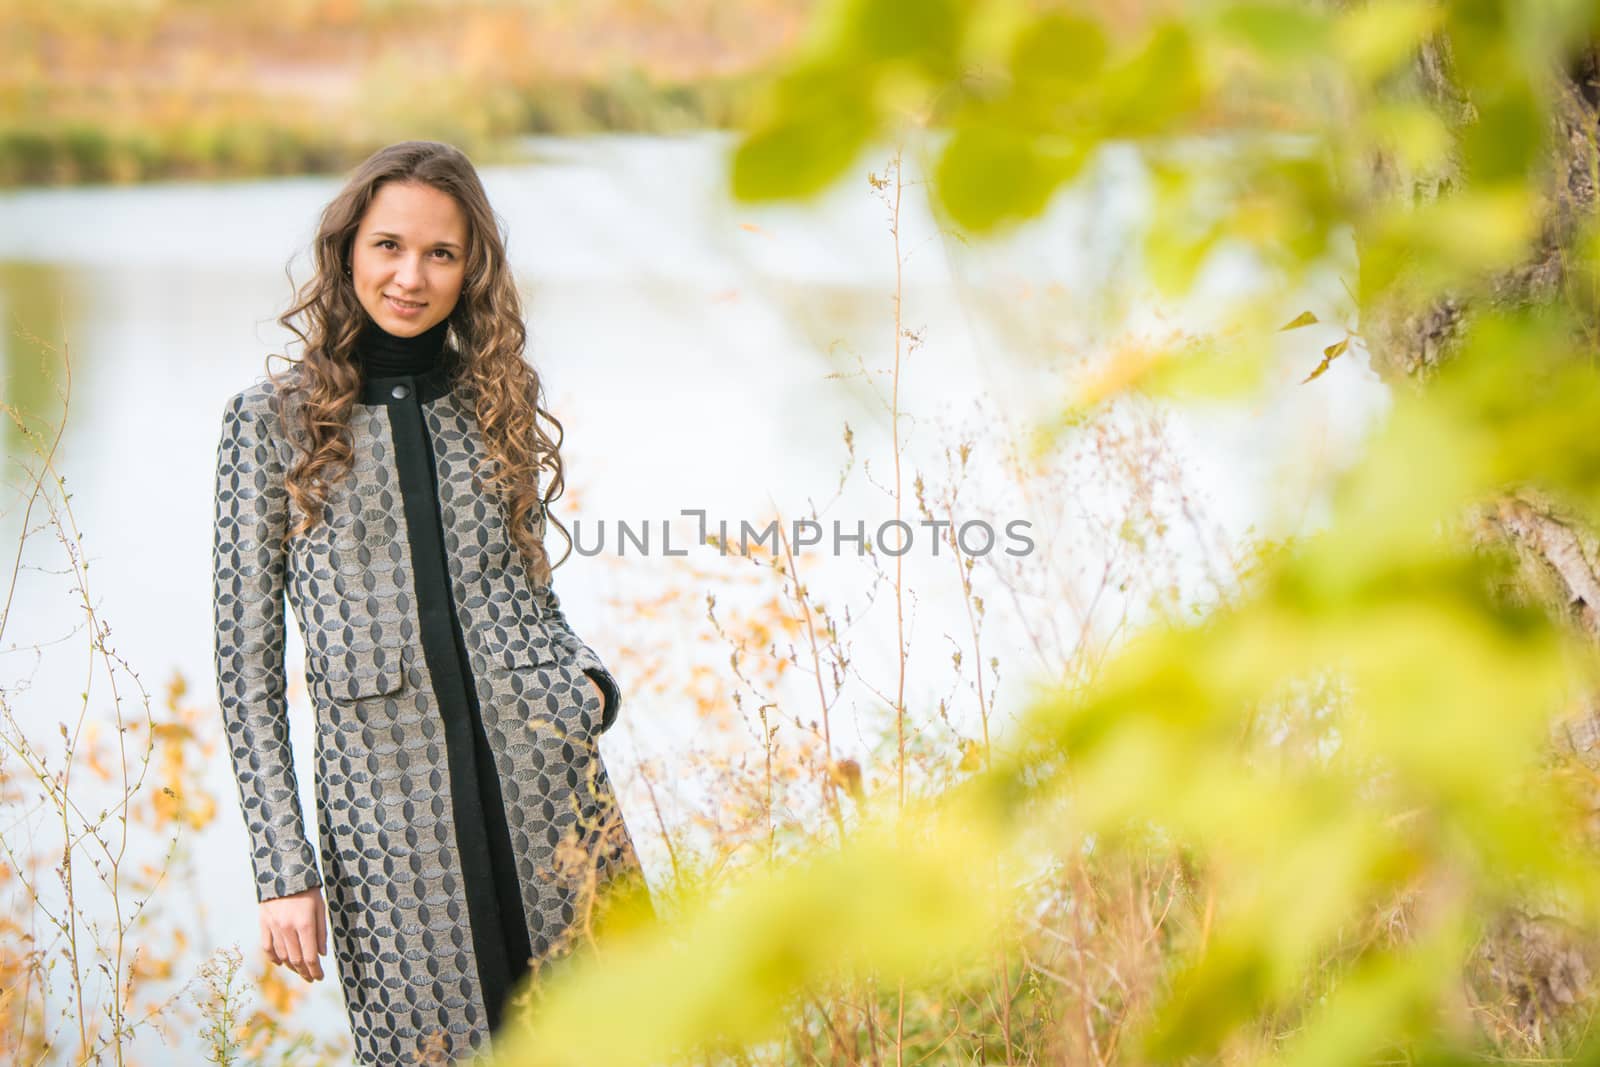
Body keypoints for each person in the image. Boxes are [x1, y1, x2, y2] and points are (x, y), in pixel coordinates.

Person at [211, 140, 650, 1066]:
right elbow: (245, 670)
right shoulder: (269, 424)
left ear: (471, 268)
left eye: (441, 253)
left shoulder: (498, 397)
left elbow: (532, 592)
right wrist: (284, 870)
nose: (411, 276)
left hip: (550, 793)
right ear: (347, 252)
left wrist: (584, 687)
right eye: (389, 246)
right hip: (389, 827)